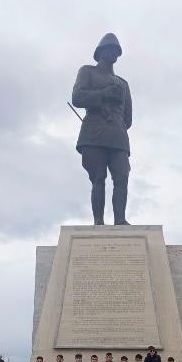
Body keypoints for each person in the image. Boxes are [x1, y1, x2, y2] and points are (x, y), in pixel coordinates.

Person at [72, 32, 132, 226]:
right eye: (109, 49)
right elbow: (77, 98)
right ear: (100, 52)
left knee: (122, 176)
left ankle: (120, 220)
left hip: (117, 135)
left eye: (116, 50)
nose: (113, 52)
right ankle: (98, 222)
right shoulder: (87, 71)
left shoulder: (123, 84)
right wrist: (103, 95)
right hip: (94, 134)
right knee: (98, 178)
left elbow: (128, 118)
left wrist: (116, 125)